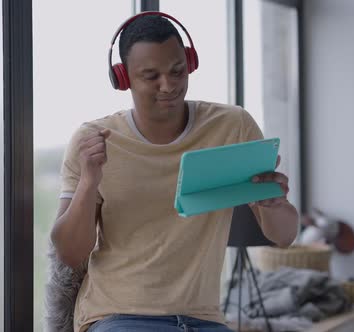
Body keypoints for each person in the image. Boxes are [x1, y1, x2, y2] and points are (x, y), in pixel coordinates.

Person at [50, 12, 299, 332]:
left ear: (190, 62)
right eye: (151, 76)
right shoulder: (92, 140)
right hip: (118, 315)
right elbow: (69, 253)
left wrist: (274, 204)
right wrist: (88, 181)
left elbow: (285, 236)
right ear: (123, 78)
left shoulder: (232, 126)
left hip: (204, 318)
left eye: (177, 71)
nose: (168, 86)